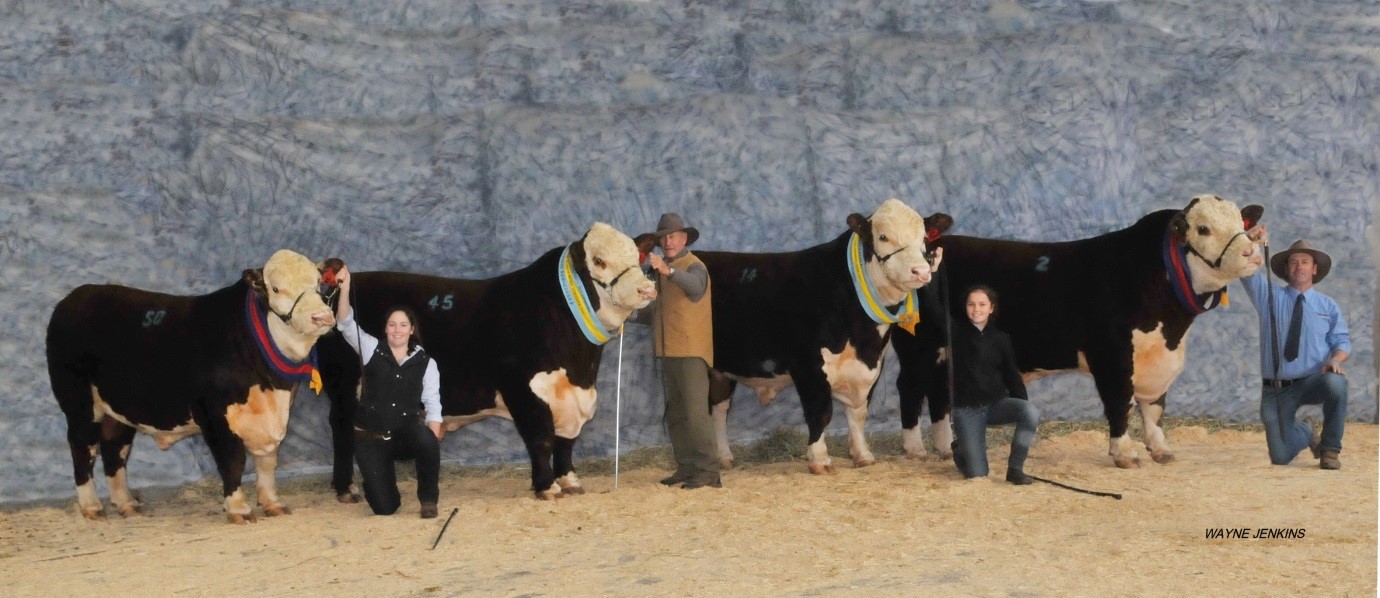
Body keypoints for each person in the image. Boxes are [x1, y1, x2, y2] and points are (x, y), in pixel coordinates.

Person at [334, 266, 445, 516]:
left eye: (403, 325)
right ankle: (376, 479)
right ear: (385, 329)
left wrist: (431, 444)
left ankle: (428, 500)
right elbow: (345, 322)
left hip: (405, 434)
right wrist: (345, 288)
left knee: (426, 438)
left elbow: (433, 404)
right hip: (371, 438)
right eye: (392, 325)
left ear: (411, 329)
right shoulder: (371, 348)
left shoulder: (426, 362)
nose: (397, 330)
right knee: (385, 508)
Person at [1240, 228, 1350, 470]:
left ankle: (1330, 449)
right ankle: (1307, 432)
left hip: (1312, 380)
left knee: (1337, 383)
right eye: (1293, 262)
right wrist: (1249, 241)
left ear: (1314, 269)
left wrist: (1336, 360)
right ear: (1287, 269)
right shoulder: (1268, 296)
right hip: (1276, 390)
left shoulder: (1328, 306)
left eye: (1305, 262)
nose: (1299, 266)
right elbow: (1246, 271)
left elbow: (1342, 342)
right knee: (1280, 457)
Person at [638, 212, 721, 489]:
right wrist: (632, 309)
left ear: (684, 238)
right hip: (668, 351)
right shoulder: (661, 271)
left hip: (690, 351)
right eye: (664, 238)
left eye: (673, 236)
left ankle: (709, 471)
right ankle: (687, 466)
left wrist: (668, 271)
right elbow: (655, 314)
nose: (668, 242)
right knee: (676, 415)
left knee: (696, 414)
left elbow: (695, 289)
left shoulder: (694, 266)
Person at [948, 285, 1039, 484]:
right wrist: (934, 273)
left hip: (996, 405)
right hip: (967, 409)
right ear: (965, 308)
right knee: (978, 474)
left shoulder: (1001, 339)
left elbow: (1012, 376)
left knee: (1030, 411)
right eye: (971, 304)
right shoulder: (955, 333)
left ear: (991, 308)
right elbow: (935, 308)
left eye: (982, 304)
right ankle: (960, 448)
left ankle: (1015, 469)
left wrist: (1022, 405)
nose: (976, 309)